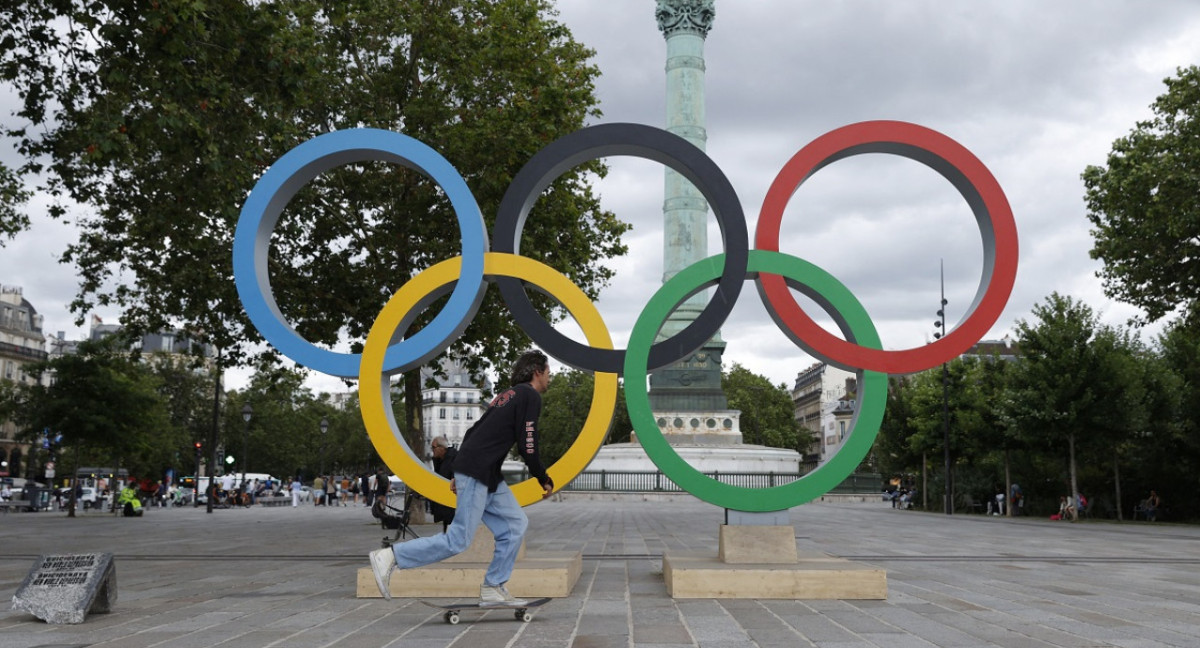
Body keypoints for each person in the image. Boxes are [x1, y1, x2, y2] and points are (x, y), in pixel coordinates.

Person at [369, 350, 554, 606]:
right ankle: (391, 556)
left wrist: (458, 470)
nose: (549, 377)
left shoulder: (506, 396)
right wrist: (542, 477)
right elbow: (528, 445)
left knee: (514, 525)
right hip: (478, 470)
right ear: (537, 372)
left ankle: (493, 586)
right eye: (548, 372)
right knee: (458, 540)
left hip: (485, 473)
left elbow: (472, 431)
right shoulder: (530, 396)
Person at [429, 436, 458, 531]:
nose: (432, 450)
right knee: (446, 529)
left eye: (433, 447)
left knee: (451, 530)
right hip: (445, 504)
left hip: (452, 505)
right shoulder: (440, 461)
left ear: (442, 448)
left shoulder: (453, 458)